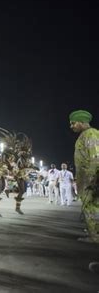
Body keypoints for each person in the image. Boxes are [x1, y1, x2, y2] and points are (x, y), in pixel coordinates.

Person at [69, 109, 99, 274]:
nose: (71, 126)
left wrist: (94, 181)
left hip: (92, 184)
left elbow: (96, 158)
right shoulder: (85, 136)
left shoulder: (91, 134)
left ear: (80, 122)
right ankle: (94, 236)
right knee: (92, 214)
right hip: (88, 184)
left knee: (96, 214)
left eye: (73, 123)